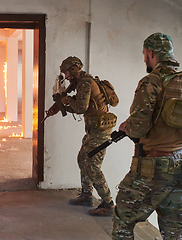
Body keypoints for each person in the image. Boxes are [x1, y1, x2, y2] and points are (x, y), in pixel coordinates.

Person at [112, 33, 182, 239]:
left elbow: (138, 127)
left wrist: (125, 127)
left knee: (123, 220)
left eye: (144, 54)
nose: (144, 59)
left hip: (152, 169)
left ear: (151, 53)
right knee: (176, 230)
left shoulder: (151, 82)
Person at [49, 56, 117, 216]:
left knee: (93, 167)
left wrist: (66, 99)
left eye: (66, 72)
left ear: (73, 69)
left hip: (100, 131)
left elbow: (81, 107)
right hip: (94, 129)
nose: (65, 76)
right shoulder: (81, 83)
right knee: (82, 159)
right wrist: (63, 105)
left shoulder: (85, 83)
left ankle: (108, 204)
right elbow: (83, 108)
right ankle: (87, 195)